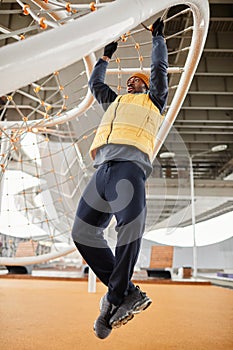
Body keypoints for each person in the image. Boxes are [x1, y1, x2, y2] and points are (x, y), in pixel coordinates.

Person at [71, 18, 168, 339]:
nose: (131, 83)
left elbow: (158, 72)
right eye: (128, 82)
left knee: (128, 230)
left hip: (130, 166)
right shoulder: (114, 103)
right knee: (82, 232)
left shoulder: (154, 100)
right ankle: (126, 293)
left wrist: (158, 39)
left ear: (147, 86)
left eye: (136, 81)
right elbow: (95, 85)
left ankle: (116, 297)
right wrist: (105, 58)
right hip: (103, 170)